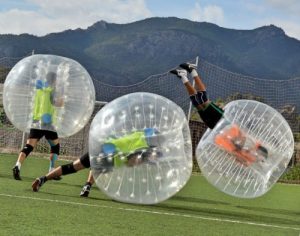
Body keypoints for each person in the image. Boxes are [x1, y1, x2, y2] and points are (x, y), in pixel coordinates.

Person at [170, 62, 268, 166]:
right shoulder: (253, 145)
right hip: (223, 121)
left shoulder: (248, 158)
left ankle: (183, 76)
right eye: (259, 156)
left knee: (197, 104)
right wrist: (240, 150)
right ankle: (192, 70)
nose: (257, 157)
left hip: (215, 128)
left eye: (259, 159)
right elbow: (241, 139)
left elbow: (238, 159)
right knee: (203, 101)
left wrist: (239, 157)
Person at [32, 128, 163, 193]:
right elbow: (130, 162)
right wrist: (145, 160)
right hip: (112, 159)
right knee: (98, 168)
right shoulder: (143, 149)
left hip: (105, 147)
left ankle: (43, 178)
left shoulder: (139, 134)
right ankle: (87, 185)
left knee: (73, 167)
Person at [12, 71, 64, 180]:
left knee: (29, 147)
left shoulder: (39, 89)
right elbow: (58, 103)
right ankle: (51, 170)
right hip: (48, 123)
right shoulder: (52, 91)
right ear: (54, 80)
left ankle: (17, 165)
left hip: (36, 121)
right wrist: (63, 98)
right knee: (55, 146)